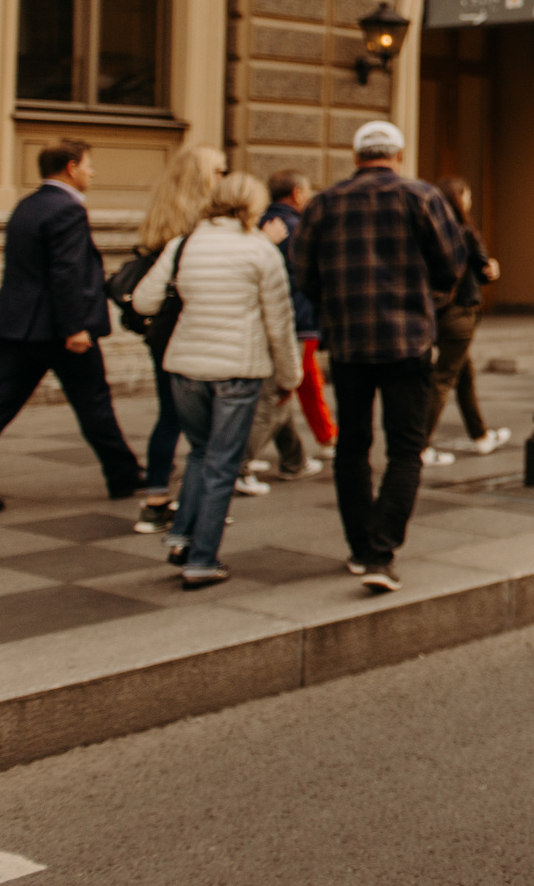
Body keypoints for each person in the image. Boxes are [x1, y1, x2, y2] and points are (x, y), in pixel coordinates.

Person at [293, 120, 467, 593]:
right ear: (399, 154)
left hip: (348, 341)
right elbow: (453, 262)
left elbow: (302, 270)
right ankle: (381, 550)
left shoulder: (324, 203)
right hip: (407, 340)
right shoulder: (422, 197)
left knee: (351, 444)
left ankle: (359, 546)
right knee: (406, 447)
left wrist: (336, 305)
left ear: (356, 157)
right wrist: (425, 301)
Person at [0, 141, 143, 518]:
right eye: (88, 165)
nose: (92, 173)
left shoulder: (28, 204)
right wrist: (75, 327)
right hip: (60, 330)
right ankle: (123, 473)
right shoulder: (68, 210)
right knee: (94, 402)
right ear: (70, 167)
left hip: (19, 328)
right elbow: (66, 273)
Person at [132, 172, 301, 589]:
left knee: (199, 453)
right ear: (253, 205)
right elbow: (279, 323)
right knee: (223, 463)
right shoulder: (261, 251)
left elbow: (143, 300)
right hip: (238, 371)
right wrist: (289, 375)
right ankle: (203, 559)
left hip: (186, 367)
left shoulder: (183, 244)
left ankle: (183, 538)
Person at [128, 146, 230, 529]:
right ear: (204, 178)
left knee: (169, 415)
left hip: (163, 329)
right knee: (208, 422)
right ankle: (202, 504)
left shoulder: (162, 213)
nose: (225, 178)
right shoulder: (203, 224)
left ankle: (156, 497)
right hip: (198, 326)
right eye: (220, 171)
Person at [424, 175, 510, 463]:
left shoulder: (427, 233)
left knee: (464, 375)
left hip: (434, 312)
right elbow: (484, 270)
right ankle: (420, 446)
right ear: (459, 199)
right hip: (460, 313)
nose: (470, 200)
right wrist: (492, 267)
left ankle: (481, 436)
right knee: (443, 379)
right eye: (467, 195)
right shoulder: (465, 232)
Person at [253, 170, 330, 478]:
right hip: (297, 321)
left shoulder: (259, 226)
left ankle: (294, 459)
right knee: (282, 390)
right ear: (297, 193)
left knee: (281, 388)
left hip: (264, 320)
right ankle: (238, 462)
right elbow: (311, 277)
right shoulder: (299, 229)